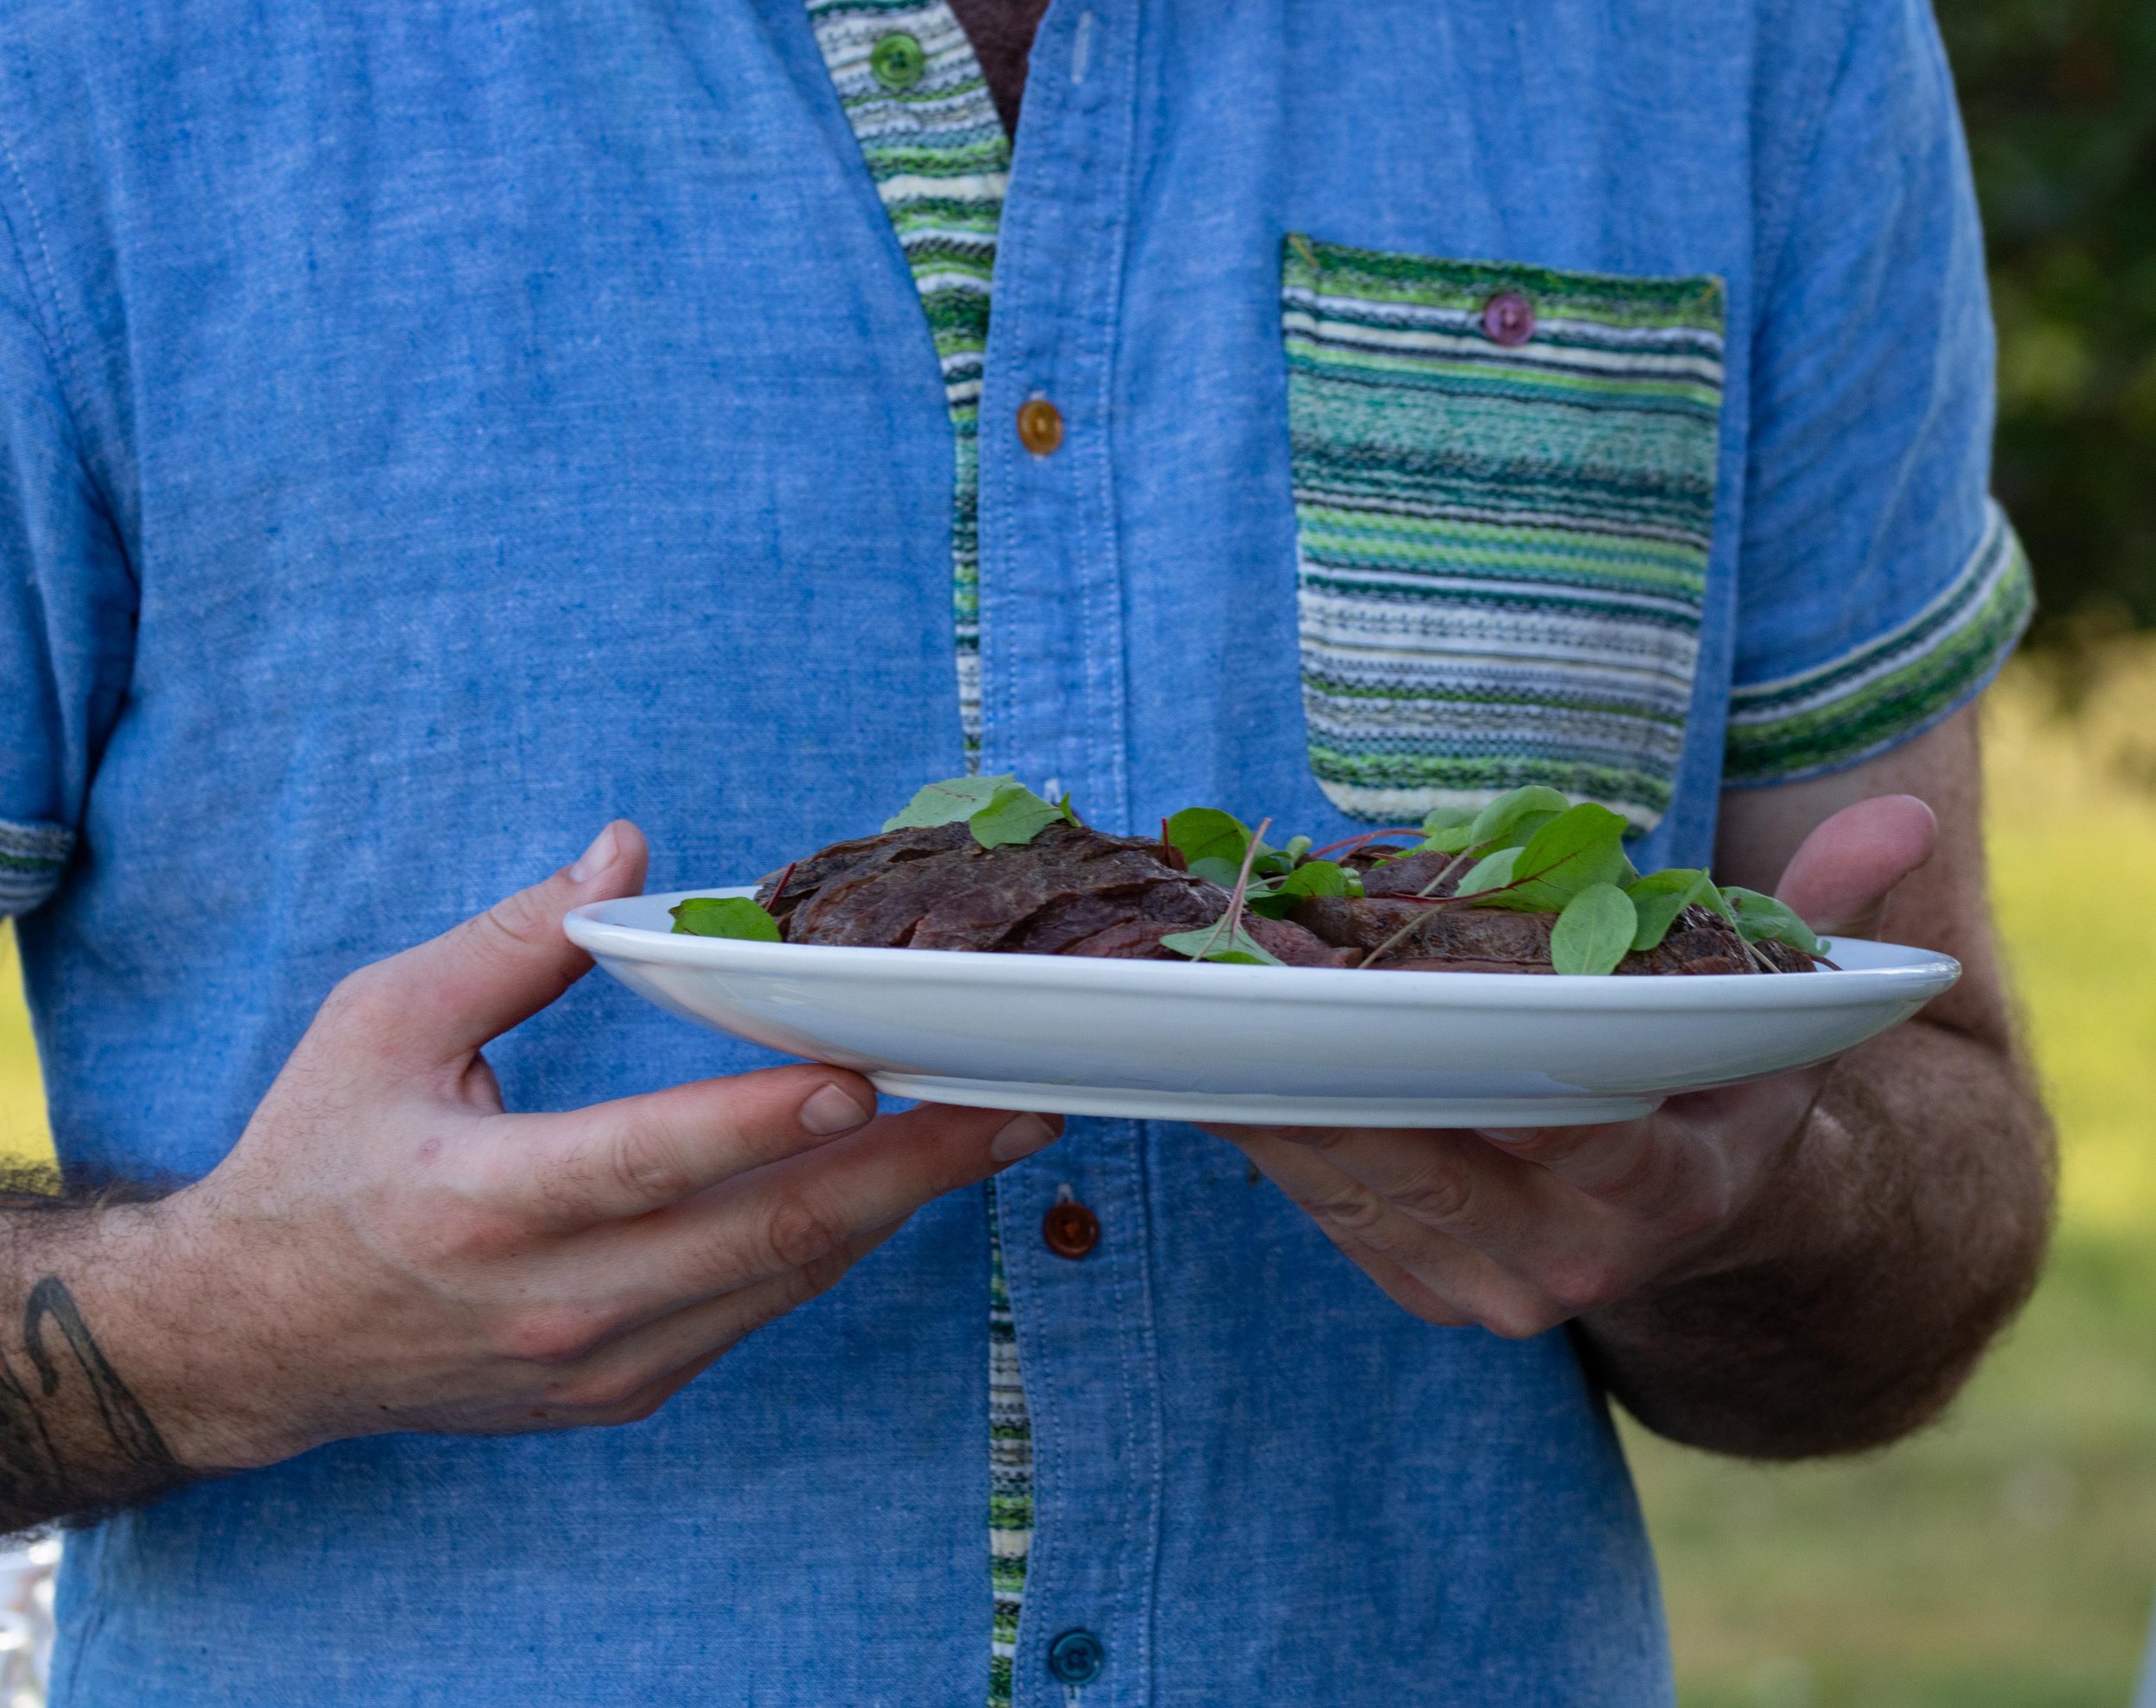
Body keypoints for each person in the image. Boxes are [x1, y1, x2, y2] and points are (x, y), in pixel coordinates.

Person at [0, 0, 2053, 1701]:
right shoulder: (83, 63)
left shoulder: (1746, 46)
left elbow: (1927, 1195)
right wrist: (225, 1324)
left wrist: (1762, 1193)